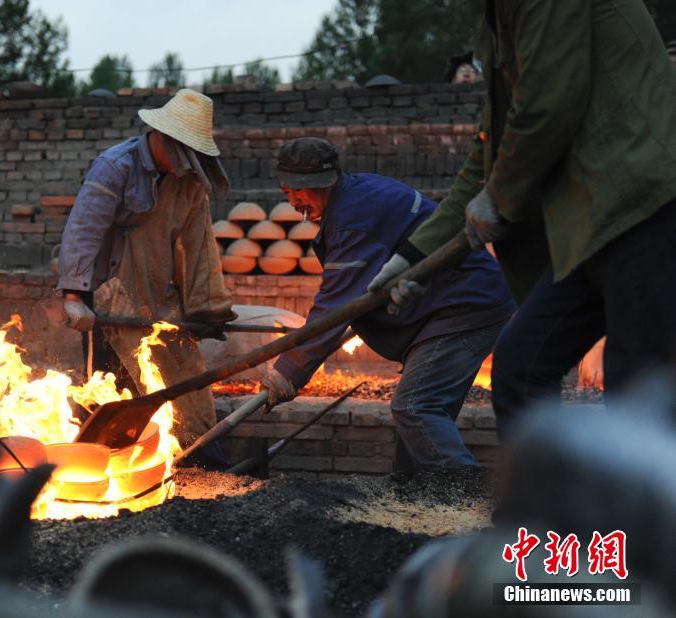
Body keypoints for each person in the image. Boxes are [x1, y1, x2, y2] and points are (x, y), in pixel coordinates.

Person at [368, 0, 676, 437]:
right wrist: (414, 256)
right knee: (522, 369)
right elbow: (490, 151)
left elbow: (547, 104)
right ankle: (543, 485)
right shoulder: (498, 20)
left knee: (637, 391)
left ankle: (643, 483)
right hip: (589, 228)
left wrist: (500, 194)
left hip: (646, 202)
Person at [260, 137, 516, 472]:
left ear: (326, 183)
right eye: (287, 191)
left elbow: (334, 308)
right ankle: (411, 489)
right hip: (447, 305)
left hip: (464, 306)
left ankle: (464, 493)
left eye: (300, 191)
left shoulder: (353, 220)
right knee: (422, 419)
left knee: (415, 407)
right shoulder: (359, 191)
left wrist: (287, 372)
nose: (294, 200)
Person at [53, 88, 237, 448]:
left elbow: (198, 246)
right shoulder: (116, 167)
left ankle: (193, 453)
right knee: (113, 390)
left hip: (156, 295)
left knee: (181, 381)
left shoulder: (189, 182)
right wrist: (73, 296)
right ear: (163, 138)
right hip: (106, 296)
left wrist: (206, 308)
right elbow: (84, 229)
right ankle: (101, 459)